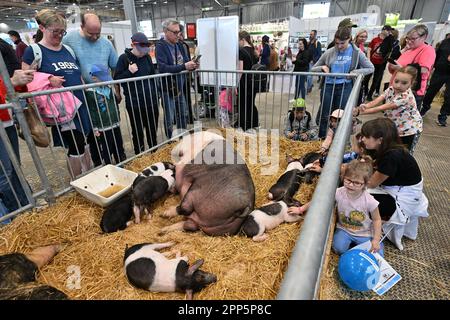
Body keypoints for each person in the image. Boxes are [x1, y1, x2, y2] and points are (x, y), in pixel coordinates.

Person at [22, 9, 93, 178]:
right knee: (75, 145)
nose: (59, 35)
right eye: (55, 31)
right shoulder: (34, 50)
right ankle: (78, 181)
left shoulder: (68, 49)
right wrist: (48, 78)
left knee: (86, 141)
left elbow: (77, 75)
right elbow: (25, 79)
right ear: (42, 28)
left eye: (62, 32)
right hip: (61, 109)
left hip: (81, 104)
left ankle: (89, 176)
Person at [288, 157, 383, 256]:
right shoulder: (339, 192)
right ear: (343, 177)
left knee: (377, 254)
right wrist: (300, 209)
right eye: (348, 180)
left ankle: (369, 246)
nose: (351, 185)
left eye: (357, 183)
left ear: (365, 184)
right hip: (344, 229)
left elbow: (377, 220)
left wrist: (376, 240)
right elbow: (320, 199)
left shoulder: (370, 201)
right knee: (338, 248)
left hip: (364, 233)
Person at [361, 118, 429, 251]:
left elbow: (371, 183)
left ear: (380, 140)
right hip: (399, 189)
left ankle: (370, 229)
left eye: (366, 136)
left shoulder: (391, 156)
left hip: (403, 199)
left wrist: (347, 171)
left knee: (359, 199)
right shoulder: (390, 149)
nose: (362, 139)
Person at [311, 27, 374, 139]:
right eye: (337, 43)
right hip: (329, 87)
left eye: (342, 43)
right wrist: (322, 67)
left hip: (346, 86)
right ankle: (321, 139)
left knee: (341, 114)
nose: (339, 46)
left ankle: (338, 140)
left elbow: (370, 68)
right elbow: (313, 68)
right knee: (325, 114)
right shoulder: (329, 52)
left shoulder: (356, 52)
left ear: (349, 39)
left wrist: (354, 72)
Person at [355, 66, 423, 154]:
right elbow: (377, 100)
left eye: (404, 83)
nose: (398, 85)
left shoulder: (405, 96)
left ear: (411, 83)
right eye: (396, 81)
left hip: (409, 130)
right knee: (391, 150)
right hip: (395, 127)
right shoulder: (391, 89)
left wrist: (358, 112)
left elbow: (380, 108)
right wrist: (365, 106)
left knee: (404, 153)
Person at [114, 32, 159, 154]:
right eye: (140, 50)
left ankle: (154, 153)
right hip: (135, 103)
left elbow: (152, 76)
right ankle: (140, 155)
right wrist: (129, 72)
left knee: (152, 130)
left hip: (151, 101)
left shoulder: (147, 57)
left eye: (145, 49)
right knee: (138, 131)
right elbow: (117, 78)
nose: (142, 52)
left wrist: (156, 94)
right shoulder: (124, 58)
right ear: (132, 45)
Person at [0, 68, 35, 220]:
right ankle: (15, 216)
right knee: (5, 174)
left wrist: (18, 83)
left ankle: (26, 207)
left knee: (14, 168)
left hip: (6, 121)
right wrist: (11, 83)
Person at [156, 19, 198, 139]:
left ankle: (183, 138)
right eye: (174, 32)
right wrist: (184, 66)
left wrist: (192, 65)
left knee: (183, 114)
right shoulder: (161, 46)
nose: (178, 35)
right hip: (167, 88)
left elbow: (184, 61)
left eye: (178, 32)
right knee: (170, 117)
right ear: (165, 31)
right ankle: (169, 143)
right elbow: (163, 67)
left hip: (180, 87)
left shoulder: (179, 44)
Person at [388, 24, 436, 111]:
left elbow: (424, 70)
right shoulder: (409, 49)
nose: (409, 41)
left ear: (424, 37)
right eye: (408, 38)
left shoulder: (427, 50)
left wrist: (400, 68)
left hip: (411, 92)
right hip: (398, 89)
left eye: (413, 39)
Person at [85, 64, 126, 165]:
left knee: (118, 144)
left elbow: (115, 104)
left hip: (115, 123)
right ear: (94, 77)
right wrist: (95, 127)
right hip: (103, 126)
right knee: (107, 147)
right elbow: (92, 111)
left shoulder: (109, 88)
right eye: (102, 78)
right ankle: (109, 166)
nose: (105, 80)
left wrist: (118, 116)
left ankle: (121, 164)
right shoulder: (91, 93)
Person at [420, 36, 450, 126]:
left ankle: (443, 116)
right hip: (440, 71)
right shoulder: (445, 42)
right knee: (431, 91)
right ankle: (425, 107)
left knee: (449, 96)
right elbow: (436, 55)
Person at [237, 30, 259, 131]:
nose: (238, 42)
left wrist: (236, 84)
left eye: (239, 40)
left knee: (242, 104)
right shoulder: (253, 50)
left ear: (243, 40)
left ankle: (243, 125)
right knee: (250, 103)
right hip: (253, 81)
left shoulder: (241, 51)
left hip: (244, 82)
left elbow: (240, 70)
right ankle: (254, 123)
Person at [177, 24, 194, 124]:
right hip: (178, 77)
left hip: (185, 76)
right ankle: (182, 119)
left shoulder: (184, 44)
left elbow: (186, 59)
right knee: (179, 100)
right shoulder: (175, 45)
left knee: (186, 98)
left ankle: (189, 117)